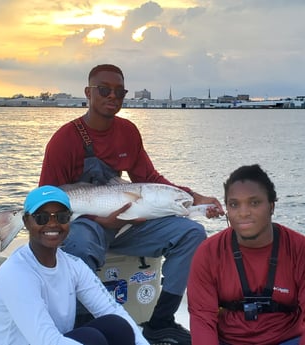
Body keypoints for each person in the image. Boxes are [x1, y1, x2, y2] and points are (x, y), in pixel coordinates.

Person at [39, 63, 225, 345]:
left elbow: (148, 178)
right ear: (88, 92)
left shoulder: (128, 131)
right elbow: (47, 203)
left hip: (128, 227)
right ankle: (82, 325)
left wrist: (195, 197)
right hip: (86, 229)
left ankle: (161, 322)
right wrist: (102, 222)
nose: (112, 96)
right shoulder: (65, 140)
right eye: (104, 90)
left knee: (191, 233)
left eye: (119, 91)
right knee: (78, 244)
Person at [187, 164, 305, 345]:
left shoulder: (303, 251)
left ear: (271, 206)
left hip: (288, 340)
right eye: (234, 204)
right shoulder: (208, 253)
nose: (243, 213)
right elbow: (202, 320)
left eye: (254, 202)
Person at [0, 185, 149, 345]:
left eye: (61, 217)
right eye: (42, 217)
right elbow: (46, 342)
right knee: (91, 338)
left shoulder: (73, 265)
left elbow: (111, 310)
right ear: (26, 222)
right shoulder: (16, 274)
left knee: (116, 326)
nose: (53, 224)